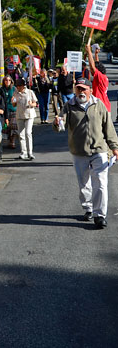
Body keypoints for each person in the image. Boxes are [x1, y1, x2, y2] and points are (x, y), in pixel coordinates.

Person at [54, 78, 118, 229]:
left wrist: (114, 147)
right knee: (84, 183)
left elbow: (108, 128)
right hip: (79, 151)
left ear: (90, 90)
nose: (81, 92)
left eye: (84, 89)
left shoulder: (99, 105)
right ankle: (88, 208)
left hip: (99, 150)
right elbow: (60, 124)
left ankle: (100, 215)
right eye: (78, 89)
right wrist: (57, 123)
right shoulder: (69, 106)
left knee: (101, 183)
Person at [12, 80, 38, 160]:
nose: (18, 87)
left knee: (28, 133)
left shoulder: (30, 92)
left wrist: (31, 104)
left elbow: (35, 103)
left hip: (29, 115)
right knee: (21, 134)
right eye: (17, 86)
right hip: (20, 115)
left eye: (19, 86)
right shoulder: (15, 93)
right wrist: (13, 101)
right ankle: (23, 152)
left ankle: (30, 152)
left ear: (23, 86)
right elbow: (14, 104)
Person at [86, 42, 111, 112]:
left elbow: (93, 67)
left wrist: (89, 52)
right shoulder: (103, 77)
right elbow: (97, 65)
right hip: (104, 106)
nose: (91, 72)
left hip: (101, 108)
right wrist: (96, 54)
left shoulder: (101, 77)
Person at [0, 75, 18, 149]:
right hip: (4, 110)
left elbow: (17, 98)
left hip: (13, 109)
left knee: (13, 126)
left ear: (11, 81)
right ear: (4, 81)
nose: (7, 82)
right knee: (6, 127)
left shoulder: (14, 89)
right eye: (6, 80)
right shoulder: (1, 89)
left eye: (9, 80)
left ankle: (12, 141)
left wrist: (15, 100)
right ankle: (8, 139)